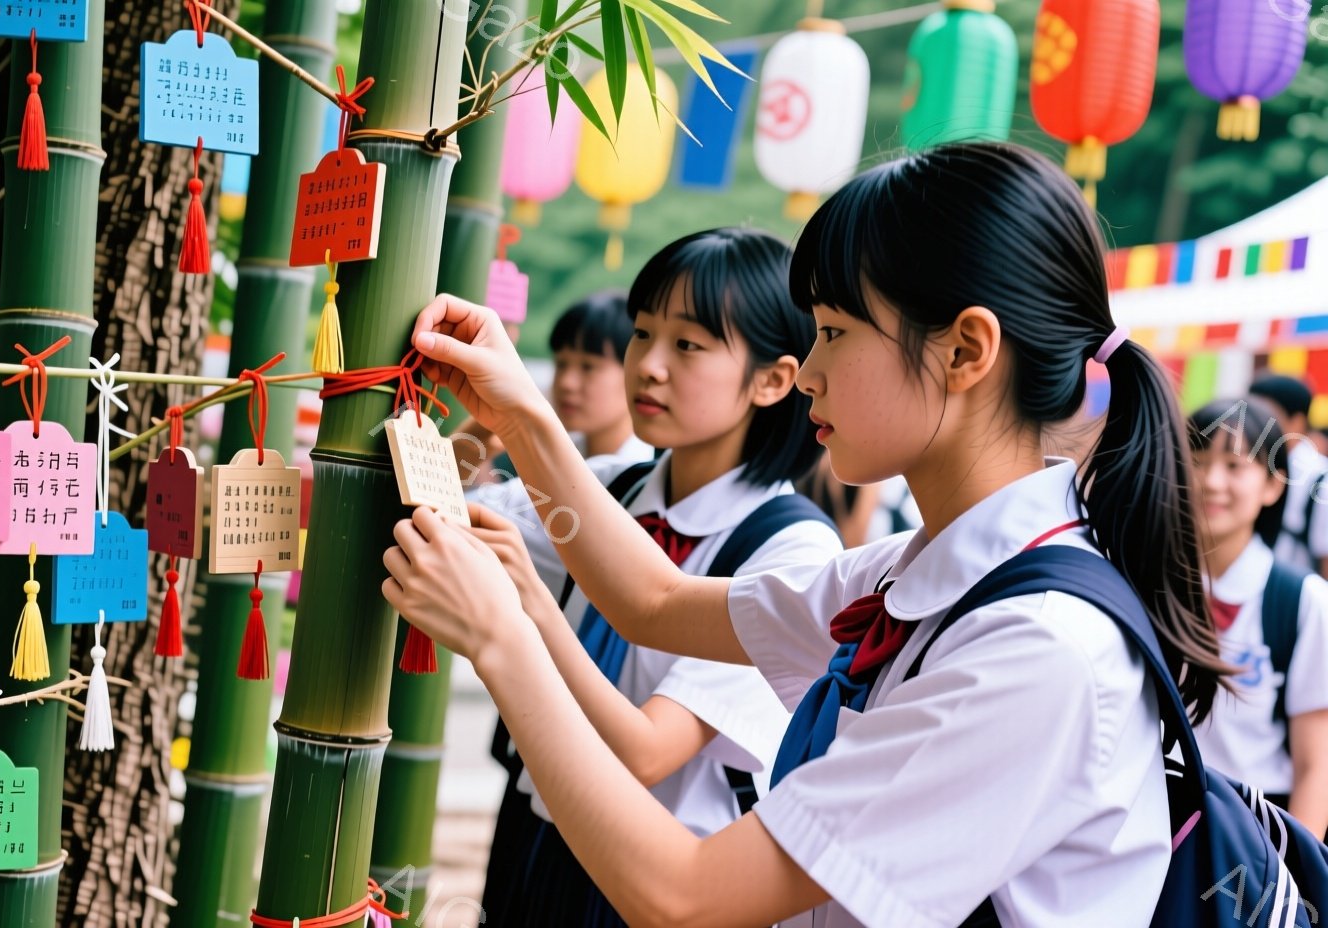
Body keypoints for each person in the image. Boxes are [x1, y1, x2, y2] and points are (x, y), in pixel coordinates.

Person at [382, 142, 1229, 926]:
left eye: (833, 331)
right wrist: (522, 414)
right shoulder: (917, 577)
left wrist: (502, 633)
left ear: (965, 351)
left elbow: (686, 898)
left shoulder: (1035, 651)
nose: (810, 373)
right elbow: (654, 599)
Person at [470, 228, 842, 925]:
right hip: (536, 835)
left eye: (689, 345)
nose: (649, 365)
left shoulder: (789, 555)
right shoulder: (612, 491)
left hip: (657, 873)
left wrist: (533, 614)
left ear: (773, 379)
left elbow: (646, 751)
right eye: (643, 335)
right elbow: (457, 513)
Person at [1188, 396, 1328, 837]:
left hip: (1256, 837)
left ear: (1272, 485)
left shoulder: (1302, 601)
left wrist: (1294, 882)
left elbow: (1315, 766)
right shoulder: (1148, 584)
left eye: (1234, 466)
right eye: (1195, 460)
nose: (1211, 481)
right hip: (1155, 828)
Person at [457, 291, 650, 489]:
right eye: (561, 364)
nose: (567, 382)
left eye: (588, 366)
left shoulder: (645, 476)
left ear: (635, 371)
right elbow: (503, 504)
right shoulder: (560, 452)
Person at [1249, 374, 1327, 573]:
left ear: (1297, 423)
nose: (1253, 426)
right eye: (1249, 415)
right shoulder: (1250, 466)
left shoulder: (1319, 480)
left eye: (1266, 417)